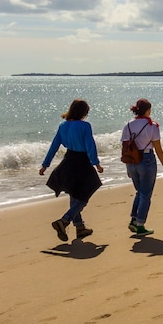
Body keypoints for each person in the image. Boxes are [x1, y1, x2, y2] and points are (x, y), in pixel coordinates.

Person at [39, 99, 103, 241]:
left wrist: (45, 164)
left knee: (74, 194)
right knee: (84, 195)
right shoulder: (85, 126)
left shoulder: (63, 126)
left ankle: (79, 227)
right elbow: (90, 145)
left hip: (68, 161)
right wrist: (96, 163)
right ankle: (64, 220)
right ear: (83, 112)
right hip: (82, 162)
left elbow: (54, 146)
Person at [122, 98, 163, 236]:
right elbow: (158, 148)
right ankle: (140, 225)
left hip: (131, 161)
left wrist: (127, 167)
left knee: (140, 192)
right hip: (147, 159)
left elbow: (125, 147)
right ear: (148, 110)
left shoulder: (128, 125)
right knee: (145, 194)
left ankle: (134, 220)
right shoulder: (152, 126)